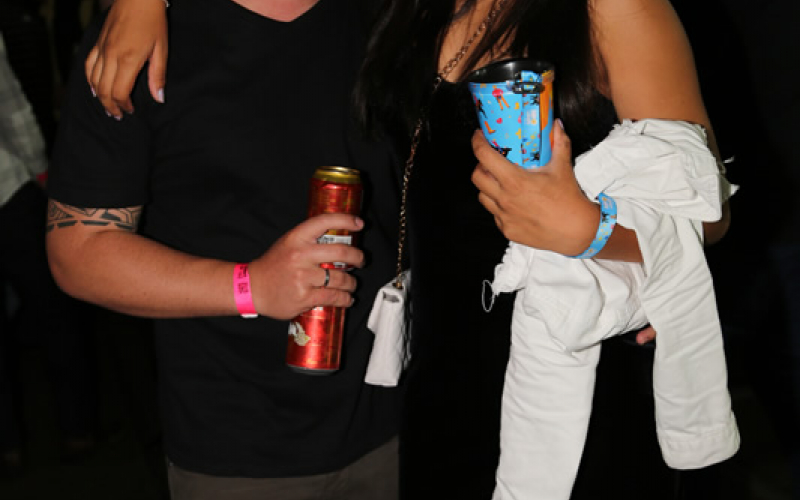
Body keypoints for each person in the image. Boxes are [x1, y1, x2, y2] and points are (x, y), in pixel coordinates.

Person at [80, 0, 735, 498]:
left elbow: (709, 212)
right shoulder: (410, 11)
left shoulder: (615, 9)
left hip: (574, 374)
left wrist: (592, 229)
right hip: (439, 388)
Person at [45, 0, 403, 499]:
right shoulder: (144, 38)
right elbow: (77, 251)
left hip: (404, 421)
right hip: (240, 444)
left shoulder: (391, 19)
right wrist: (249, 286)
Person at [0, 34, 97, 476]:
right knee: (54, 308)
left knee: (51, 308)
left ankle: (8, 444)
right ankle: (77, 427)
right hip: (8, 190)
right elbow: (10, 105)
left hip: (9, 189)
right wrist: (42, 171)